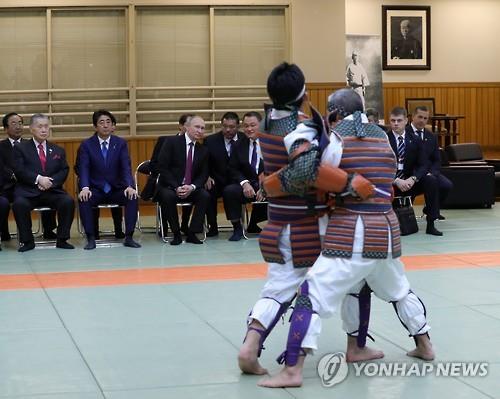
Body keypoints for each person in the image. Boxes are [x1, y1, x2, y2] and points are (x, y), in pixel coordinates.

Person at [259, 88, 434, 389]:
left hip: (351, 232)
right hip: (386, 231)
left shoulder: (336, 139)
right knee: (398, 289)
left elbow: (308, 173)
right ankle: (424, 345)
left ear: (336, 112)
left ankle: (292, 370)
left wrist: (273, 184)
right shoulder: (385, 139)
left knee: (309, 296)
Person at [237, 63, 377, 375]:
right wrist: (349, 183)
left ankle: (250, 346)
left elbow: (278, 171)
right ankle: (356, 346)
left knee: (278, 289)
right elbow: (305, 171)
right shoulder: (300, 126)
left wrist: (269, 183)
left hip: (277, 224)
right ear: (304, 92)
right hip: (310, 226)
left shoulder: (265, 124)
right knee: (355, 279)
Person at [76, 110, 141, 250]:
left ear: (112, 126)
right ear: (95, 127)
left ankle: (129, 237)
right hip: (96, 189)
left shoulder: (120, 143)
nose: (105, 125)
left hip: (116, 189)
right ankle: (91, 237)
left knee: (132, 196)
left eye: (108, 122)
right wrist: (85, 188)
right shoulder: (86, 145)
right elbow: (84, 168)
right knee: (84, 198)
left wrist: (129, 185)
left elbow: (125, 167)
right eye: (101, 122)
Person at [12, 114, 75, 252]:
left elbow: (64, 170)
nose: (44, 130)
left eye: (46, 126)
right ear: (31, 129)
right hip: (29, 191)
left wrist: (51, 182)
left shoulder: (58, 150)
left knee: (68, 201)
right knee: (19, 204)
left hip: (52, 191)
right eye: (40, 126)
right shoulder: (21, 148)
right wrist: (39, 179)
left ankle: (62, 239)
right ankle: (27, 241)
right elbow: (19, 170)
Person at [0, 112, 57, 241]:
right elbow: (1, 167)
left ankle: (48, 230)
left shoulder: (31, 144)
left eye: (20, 123)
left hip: (28, 184)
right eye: (13, 123)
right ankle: (3, 232)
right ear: (5, 128)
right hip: (7, 186)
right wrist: (13, 175)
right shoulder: (1, 146)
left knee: (47, 192)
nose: (18, 126)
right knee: (2, 202)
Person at [387, 106, 443, 235]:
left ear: (406, 120)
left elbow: (423, 164)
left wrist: (413, 179)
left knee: (431, 180)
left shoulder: (416, 139)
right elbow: (378, 165)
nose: (396, 124)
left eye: (399, 120)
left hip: (409, 180)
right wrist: (396, 180)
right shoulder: (384, 139)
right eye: (393, 120)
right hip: (391, 181)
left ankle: (431, 222)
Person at [156, 115, 210, 245]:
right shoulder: (171, 142)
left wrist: (192, 187)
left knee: (205, 195)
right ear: (187, 127)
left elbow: (204, 174)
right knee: (167, 196)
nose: (200, 131)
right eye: (197, 127)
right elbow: (162, 167)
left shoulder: (203, 150)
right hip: (171, 186)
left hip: (190, 187)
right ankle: (176, 233)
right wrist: (176, 187)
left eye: (203, 128)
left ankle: (192, 232)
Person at [222, 111, 267, 241]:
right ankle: (237, 228)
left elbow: (279, 166)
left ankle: (266, 225)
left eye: (253, 125)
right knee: (229, 191)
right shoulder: (238, 145)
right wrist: (244, 183)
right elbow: (233, 168)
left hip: (268, 182)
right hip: (247, 184)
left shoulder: (272, 143)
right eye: (246, 126)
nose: (249, 129)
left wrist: (266, 185)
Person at [147, 113, 194, 236]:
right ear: (180, 126)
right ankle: (166, 226)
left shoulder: (195, 144)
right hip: (167, 181)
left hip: (187, 181)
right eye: (187, 125)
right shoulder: (165, 140)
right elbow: (154, 163)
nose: (190, 128)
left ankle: (185, 225)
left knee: (193, 190)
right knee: (165, 194)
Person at [407, 106, 452, 220]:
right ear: (413, 117)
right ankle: (406, 214)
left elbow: (436, 159)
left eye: (425, 118)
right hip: (410, 173)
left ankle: (431, 210)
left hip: (428, 172)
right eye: (420, 117)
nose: (422, 120)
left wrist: (433, 173)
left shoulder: (431, 136)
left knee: (446, 185)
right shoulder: (404, 133)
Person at [204, 112, 244, 237]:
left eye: (231, 127)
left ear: (238, 126)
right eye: (225, 126)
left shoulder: (245, 140)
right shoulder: (210, 141)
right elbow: (203, 162)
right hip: (217, 179)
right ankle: (212, 226)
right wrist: (206, 176)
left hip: (239, 181)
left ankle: (243, 225)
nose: (227, 130)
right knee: (207, 191)